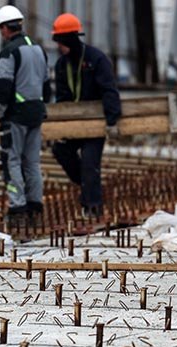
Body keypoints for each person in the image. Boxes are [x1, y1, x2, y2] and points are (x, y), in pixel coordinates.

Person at [51, 13, 121, 219]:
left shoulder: (95, 60)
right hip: (73, 124)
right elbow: (62, 98)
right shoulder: (62, 65)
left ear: (69, 40)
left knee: (91, 163)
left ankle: (93, 206)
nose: (57, 46)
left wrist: (111, 120)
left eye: (59, 42)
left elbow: (109, 90)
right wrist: (59, 126)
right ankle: (86, 185)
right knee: (61, 150)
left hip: (94, 125)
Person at [0, 5, 51, 220]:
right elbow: (46, 85)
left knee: (11, 161)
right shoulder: (38, 49)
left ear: (6, 28)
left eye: (1, 29)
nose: (1, 33)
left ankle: (17, 207)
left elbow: (4, 87)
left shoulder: (9, 52)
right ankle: (35, 205)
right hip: (36, 112)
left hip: (15, 116)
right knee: (32, 161)